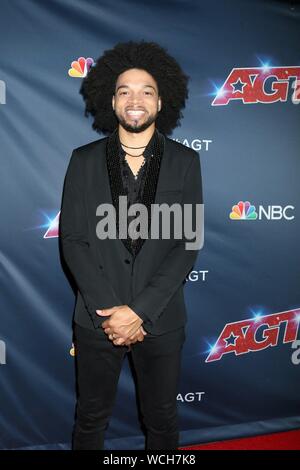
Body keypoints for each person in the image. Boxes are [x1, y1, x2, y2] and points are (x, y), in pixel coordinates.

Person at [59, 40, 203, 450]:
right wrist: (112, 314)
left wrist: (139, 312)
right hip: (96, 319)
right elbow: (73, 239)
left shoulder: (186, 161)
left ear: (161, 103)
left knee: (162, 421)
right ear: (112, 101)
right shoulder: (83, 160)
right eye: (125, 91)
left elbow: (187, 244)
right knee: (90, 419)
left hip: (160, 319)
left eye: (147, 91)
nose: (135, 100)